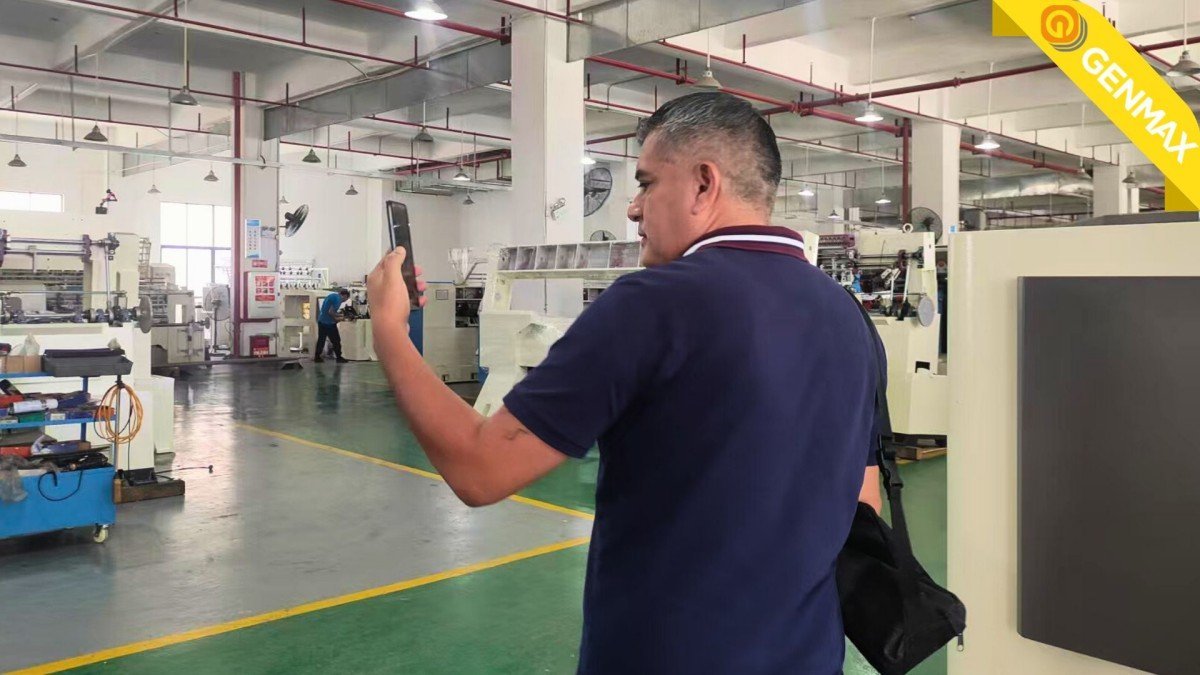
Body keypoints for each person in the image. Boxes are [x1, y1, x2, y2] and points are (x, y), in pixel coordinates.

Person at [367, 92, 880, 674]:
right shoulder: (848, 317)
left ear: (703, 184)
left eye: (645, 183)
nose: (633, 209)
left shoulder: (651, 305)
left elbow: (481, 470)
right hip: (806, 656)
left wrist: (390, 331)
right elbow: (862, 503)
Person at [314, 288, 350, 363]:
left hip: (321, 321)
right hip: (328, 323)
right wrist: (339, 318)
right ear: (345, 296)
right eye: (346, 299)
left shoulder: (332, 296)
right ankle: (339, 357)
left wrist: (340, 315)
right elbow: (331, 312)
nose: (344, 301)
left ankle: (317, 356)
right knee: (336, 340)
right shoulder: (338, 299)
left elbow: (327, 310)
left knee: (321, 340)